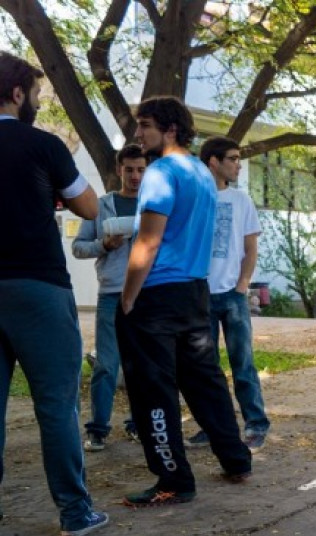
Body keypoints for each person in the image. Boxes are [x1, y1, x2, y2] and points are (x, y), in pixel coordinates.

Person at [116, 96, 252, 507]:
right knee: (204, 380)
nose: (138, 134)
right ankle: (236, 459)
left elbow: (148, 240)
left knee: (153, 390)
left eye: (145, 125)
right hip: (195, 291)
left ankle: (173, 479)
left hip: (158, 295)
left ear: (170, 128)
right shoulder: (199, 172)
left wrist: (127, 296)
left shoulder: (160, 173)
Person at [0, 51, 108, 536]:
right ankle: (75, 512)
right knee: (56, 403)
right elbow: (88, 204)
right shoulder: (42, 144)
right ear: (18, 93)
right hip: (38, 286)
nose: (39, 101)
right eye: (37, 93)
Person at [187, 136, 269, 450]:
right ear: (213, 162)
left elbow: (250, 249)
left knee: (242, 363)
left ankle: (256, 424)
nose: (238, 164)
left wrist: (242, 285)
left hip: (232, 296)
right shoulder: (194, 198)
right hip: (200, 296)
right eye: (232, 159)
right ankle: (213, 427)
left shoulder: (241, 201)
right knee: (205, 369)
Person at [72, 144, 148, 451]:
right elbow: (79, 247)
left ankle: (138, 424)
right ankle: (98, 430)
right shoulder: (102, 205)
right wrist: (104, 244)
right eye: (129, 169)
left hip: (146, 294)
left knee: (142, 364)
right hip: (110, 295)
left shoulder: (152, 207)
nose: (135, 176)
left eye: (141, 170)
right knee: (106, 364)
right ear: (119, 170)